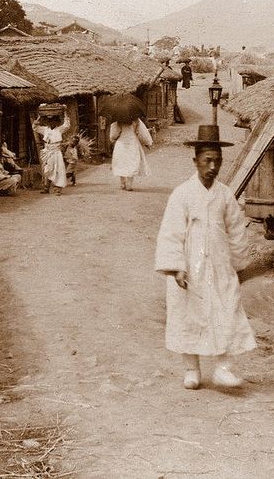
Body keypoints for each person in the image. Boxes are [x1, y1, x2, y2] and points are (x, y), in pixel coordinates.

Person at [155, 125, 256, 390]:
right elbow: (171, 232)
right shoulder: (182, 194)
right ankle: (192, 369)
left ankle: (224, 368)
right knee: (190, 316)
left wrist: (238, 264)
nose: (212, 166)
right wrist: (176, 267)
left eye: (217, 161)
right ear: (196, 161)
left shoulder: (225, 194)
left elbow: (236, 231)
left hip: (220, 265)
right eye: (207, 160)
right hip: (190, 268)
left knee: (226, 311)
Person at [32, 109, 70, 195]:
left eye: (54, 121)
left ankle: (57, 189)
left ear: (57, 122)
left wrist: (65, 112)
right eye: (50, 121)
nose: (51, 123)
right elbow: (35, 127)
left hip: (56, 152)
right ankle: (46, 187)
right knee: (47, 169)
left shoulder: (60, 129)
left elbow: (67, 125)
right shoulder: (45, 130)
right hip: (47, 152)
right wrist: (39, 117)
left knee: (58, 170)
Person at [109, 118, 153, 191]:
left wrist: (113, 139)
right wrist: (147, 143)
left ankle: (122, 183)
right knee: (132, 161)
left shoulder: (118, 121)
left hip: (121, 142)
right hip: (132, 142)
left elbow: (114, 135)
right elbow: (142, 133)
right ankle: (129, 184)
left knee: (121, 162)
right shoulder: (136, 120)